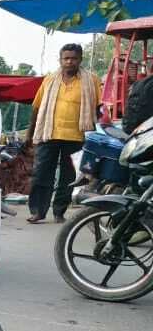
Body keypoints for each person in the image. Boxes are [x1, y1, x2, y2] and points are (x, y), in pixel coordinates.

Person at [25, 43, 101, 224]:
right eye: (66, 58)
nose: (69, 62)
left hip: (78, 136)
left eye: (73, 58)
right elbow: (36, 108)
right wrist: (29, 134)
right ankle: (38, 211)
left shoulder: (92, 81)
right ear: (60, 60)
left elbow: (99, 109)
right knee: (42, 173)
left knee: (69, 177)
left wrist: (96, 136)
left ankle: (59, 211)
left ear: (80, 60)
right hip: (49, 133)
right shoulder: (49, 80)